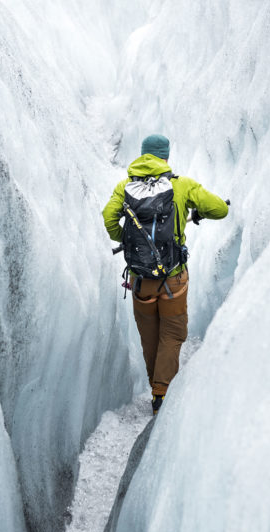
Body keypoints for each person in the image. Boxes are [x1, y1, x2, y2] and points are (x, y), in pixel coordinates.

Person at [102, 134, 229, 413]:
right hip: (173, 278)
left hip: (140, 281)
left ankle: (155, 385)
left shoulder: (125, 187)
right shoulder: (181, 185)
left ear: (143, 155)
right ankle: (162, 395)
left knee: (150, 335)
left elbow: (108, 216)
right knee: (172, 333)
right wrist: (194, 213)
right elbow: (219, 209)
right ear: (165, 157)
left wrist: (125, 238)